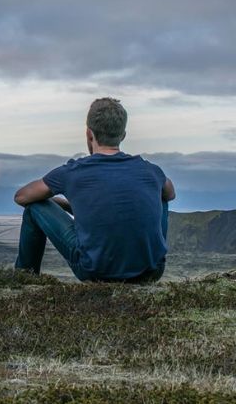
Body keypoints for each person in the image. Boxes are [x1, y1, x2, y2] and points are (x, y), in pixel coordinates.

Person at [13, 98, 175, 283]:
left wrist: (52, 201)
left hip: (95, 272)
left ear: (89, 134)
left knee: (34, 208)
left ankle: (24, 280)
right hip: (152, 271)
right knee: (162, 196)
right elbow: (170, 194)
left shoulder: (73, 172)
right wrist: (69, 205)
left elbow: (21, 197)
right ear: (123, 135)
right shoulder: (151, 170)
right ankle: (148, 259)